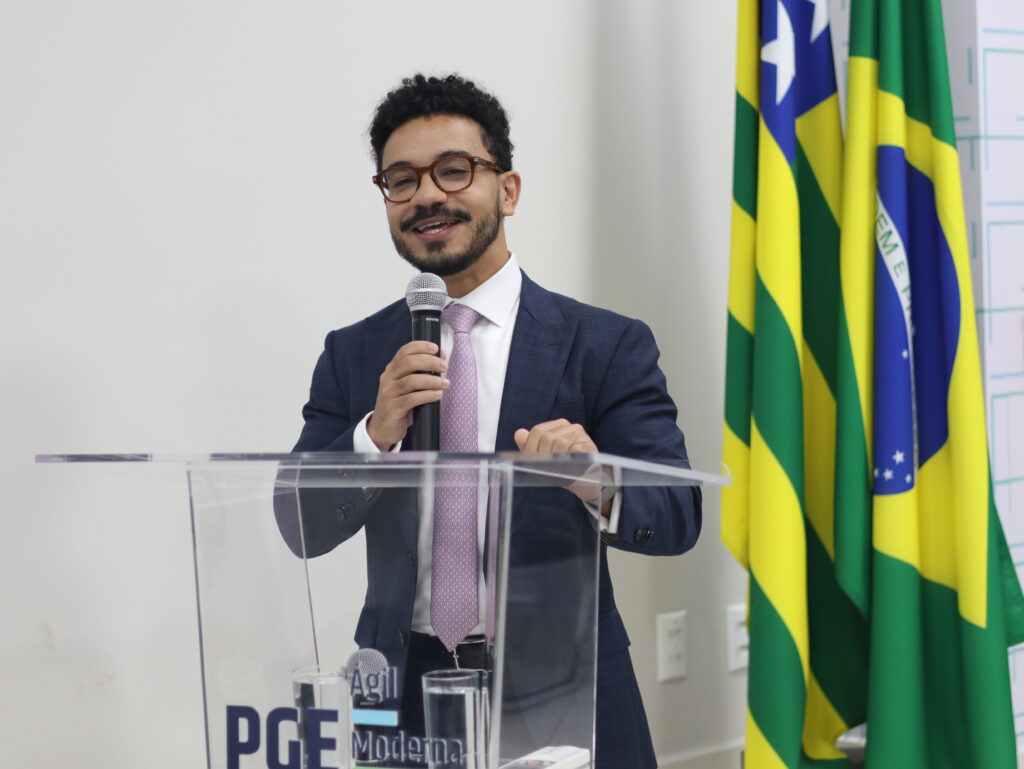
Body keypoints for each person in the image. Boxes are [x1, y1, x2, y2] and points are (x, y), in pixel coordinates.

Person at [281, 73, 701, 769]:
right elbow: (299, 523)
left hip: (566, 683)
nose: (426, 196)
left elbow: (677, 515)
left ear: (507, 189)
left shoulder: (605, 344)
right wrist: (373, 435)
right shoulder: (355, 354)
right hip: (401, 694)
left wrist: (592, 479)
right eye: (401, 180)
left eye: (453, 170)